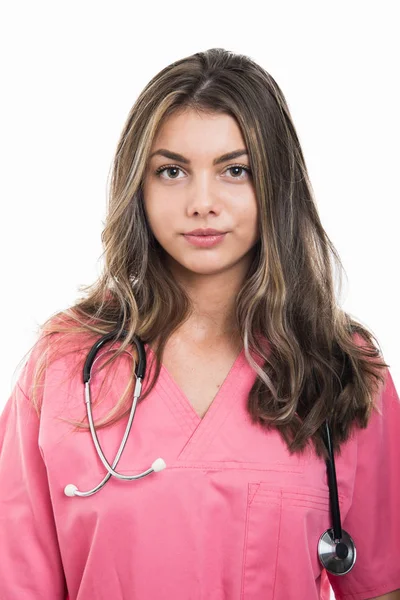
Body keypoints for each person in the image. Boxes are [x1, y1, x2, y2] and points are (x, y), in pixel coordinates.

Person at [0, 47, 399, 600]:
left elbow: (380, 585)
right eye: (172, 171)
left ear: (276, 187)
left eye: (235, 170)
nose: (202, 203)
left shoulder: (343, 368)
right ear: (138, 188)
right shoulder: (66, 365)